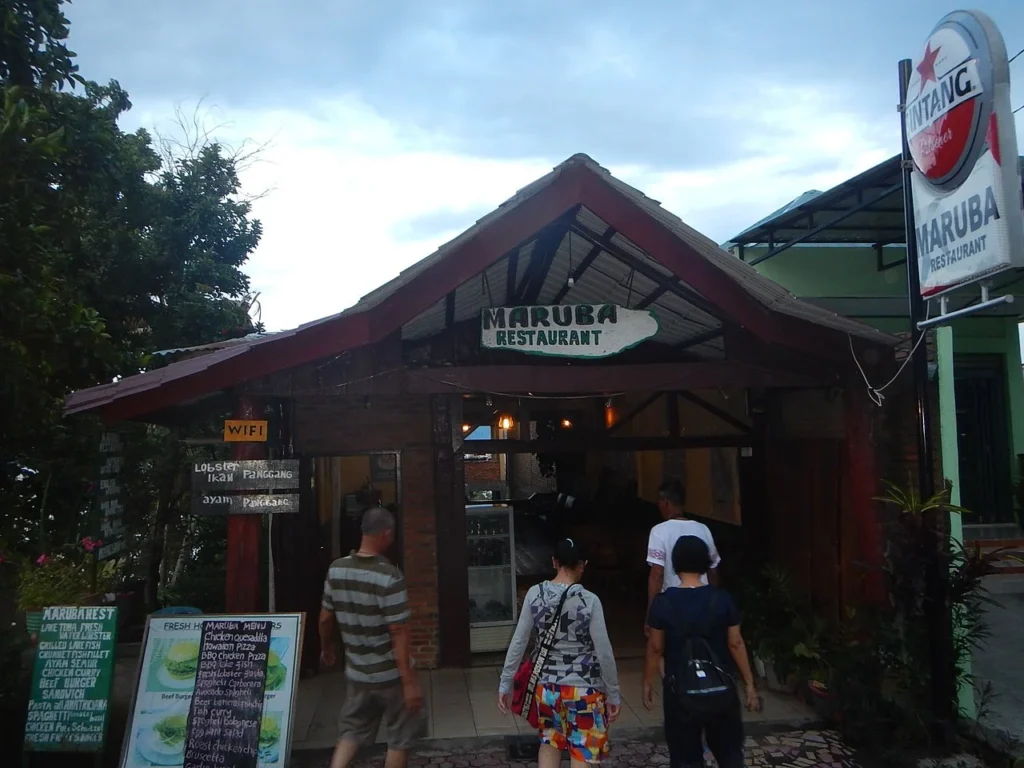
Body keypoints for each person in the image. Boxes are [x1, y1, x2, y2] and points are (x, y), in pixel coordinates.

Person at [498, 538, 621, 767]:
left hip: (547, 689)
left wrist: (505, 683)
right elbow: (604, 652)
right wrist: (613, 693)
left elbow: (519, 642)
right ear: (583, 565)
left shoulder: (535, 594)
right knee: (582, 750)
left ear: (554, 562)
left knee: (550, 742)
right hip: (584, 690)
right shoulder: (590, 601)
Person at [319, 506, 426, 768]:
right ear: (386, 534)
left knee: (351, 732)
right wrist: (409, 682)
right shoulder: (389, 576)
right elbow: (398, 632)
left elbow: (324, 618)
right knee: (399, 738)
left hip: (357, 675)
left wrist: (326, 648)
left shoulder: (336, 570)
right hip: (390, 676)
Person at [643, 536, 759, 768]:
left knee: (685, 757)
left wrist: (648, 681)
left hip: (680, 691)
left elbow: (656, 647)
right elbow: (736, 643)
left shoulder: (663, 603)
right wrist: (749, 683)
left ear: (675, 563)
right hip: (721, 689)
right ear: (706, 563)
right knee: (730, 753)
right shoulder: (722, 599)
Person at [646, 479, 720, 636]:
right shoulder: (703, 529)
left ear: (666, 502)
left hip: (672, 606)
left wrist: (651, 614)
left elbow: (657, 574)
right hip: (703, 604)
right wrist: (714, 601)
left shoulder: (659, 531)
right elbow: (713, 571)